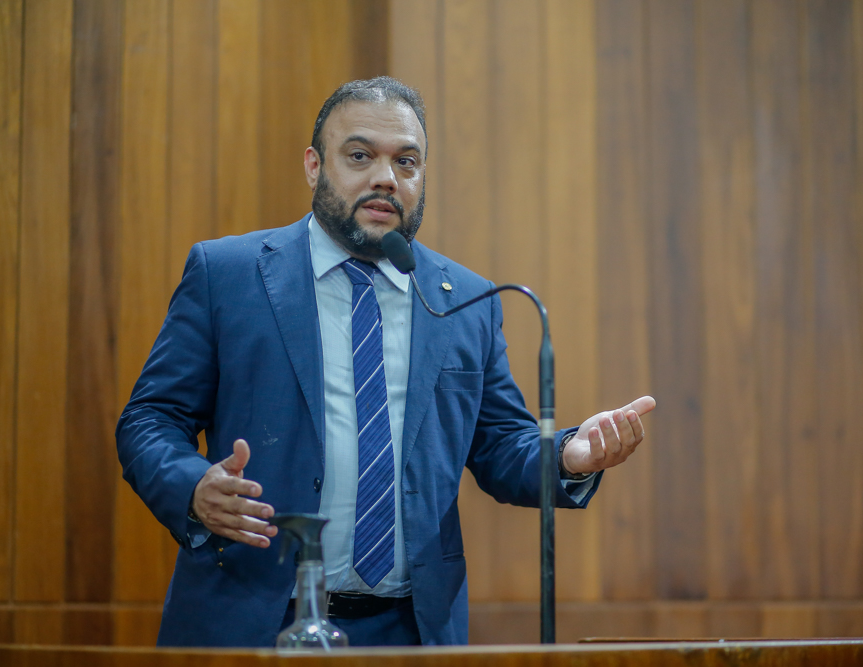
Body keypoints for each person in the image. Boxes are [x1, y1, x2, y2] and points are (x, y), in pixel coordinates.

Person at [116, 76, 655, 648]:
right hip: (254, 615)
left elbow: (500, 447)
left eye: (407, 161)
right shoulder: (229, 274)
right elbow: (150, 419)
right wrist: (194, 486)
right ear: (313, 166)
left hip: (411, 630)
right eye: (359, 155)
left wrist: (568, 456)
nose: (385, 177)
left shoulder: (463, 301)